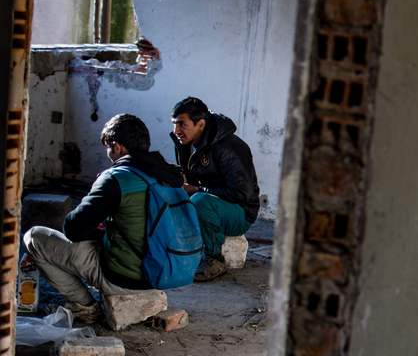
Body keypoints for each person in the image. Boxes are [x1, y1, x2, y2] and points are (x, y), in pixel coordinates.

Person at [21, 114, 185, 324]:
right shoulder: (169, 174)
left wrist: (96, 194)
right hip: (166, 272)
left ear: (117, 147)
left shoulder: (115, 178)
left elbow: (73, 229)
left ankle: (85, 307)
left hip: (125, 278)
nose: (109, 154)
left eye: (109, 148)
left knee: (34, 238)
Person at [170, 97, 259, 281]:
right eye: (174, 124)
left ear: (200, 124)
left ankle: (213, 260)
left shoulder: (229, 147)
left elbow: (242, 194)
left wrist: (197, 190)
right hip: (212, 202)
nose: (176, 131)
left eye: (182, 124)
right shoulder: (187, 142)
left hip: (240, 212)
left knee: (200, 202)